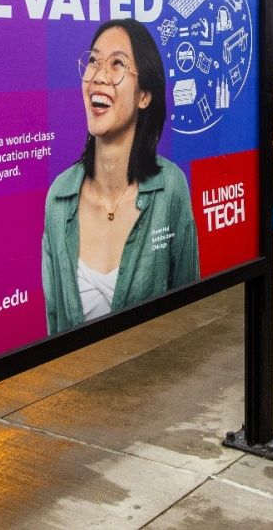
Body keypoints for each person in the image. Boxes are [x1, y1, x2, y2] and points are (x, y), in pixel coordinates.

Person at [42, 18, 199, 335]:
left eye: (117, 65)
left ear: (144, 96)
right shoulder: (59, 197)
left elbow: (188, 309)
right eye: (93, 61)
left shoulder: (170, 188)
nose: (99, 76)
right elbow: (54, 323)